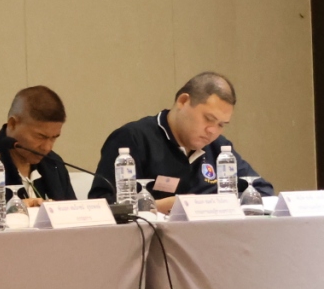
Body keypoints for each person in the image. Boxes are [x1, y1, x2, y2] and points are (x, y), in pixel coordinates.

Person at [88, 72, 270, 211]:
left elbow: (263, 191)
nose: (213, 130)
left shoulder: (219, 147)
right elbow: (102, 205)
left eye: (221, 124)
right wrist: (158, 206)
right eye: (208, 119)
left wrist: (213, 204)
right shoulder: (132, 139)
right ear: (183, 101)